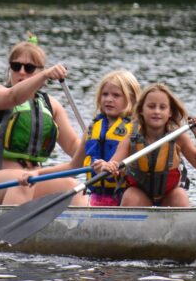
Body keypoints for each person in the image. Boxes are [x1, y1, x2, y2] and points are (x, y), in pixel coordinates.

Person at [0, 36, 81, 205]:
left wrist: (101, 155)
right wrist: (45, 75)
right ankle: (7, 230)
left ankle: (83, 230)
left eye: (29, 68)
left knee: (73, 187)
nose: (21, 72)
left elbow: (73, 145)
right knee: (23, 182)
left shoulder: (52, 106)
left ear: (38, 70)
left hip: (31, 180)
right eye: (16, 66)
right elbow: (14, 96)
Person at [18, 69, 141, 206]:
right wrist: (38, 173)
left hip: (124, 198)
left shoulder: (137, 130)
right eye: (105, 94)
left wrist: (109, 167)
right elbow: (73, 166)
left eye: (116, 95)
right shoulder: (92, 129)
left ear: (131, 99)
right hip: (96, 198)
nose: (108, 99)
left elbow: (137, 169)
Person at [96, 83, 196, 207]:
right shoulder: (131, 138)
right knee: (131, 196)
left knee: (180, 195)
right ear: (141, 111)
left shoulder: (178, 136)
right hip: (140, 196)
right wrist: (105, 166)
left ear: (170, 112)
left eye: (162, 107)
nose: (156, 111)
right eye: (151, 106)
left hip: (168, 196)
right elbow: (114, 165)